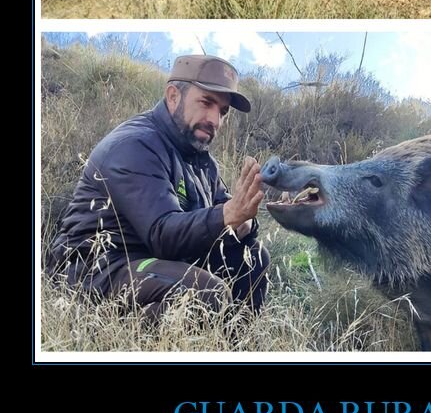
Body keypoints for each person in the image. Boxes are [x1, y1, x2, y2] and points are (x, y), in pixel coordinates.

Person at [47, 54, 269, 318]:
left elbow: (221, 213)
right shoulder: (135, 145)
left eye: (222, 111)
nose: (215, 120)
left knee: (255, 257)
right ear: (173, 96)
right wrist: (228, 215)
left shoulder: (202, 160)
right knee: (204, 291)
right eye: (206, 102)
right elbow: (163, 234)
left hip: (154, 262)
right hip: (98, 269)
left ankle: (235, 346)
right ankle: (115, 341)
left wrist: (244, 223)